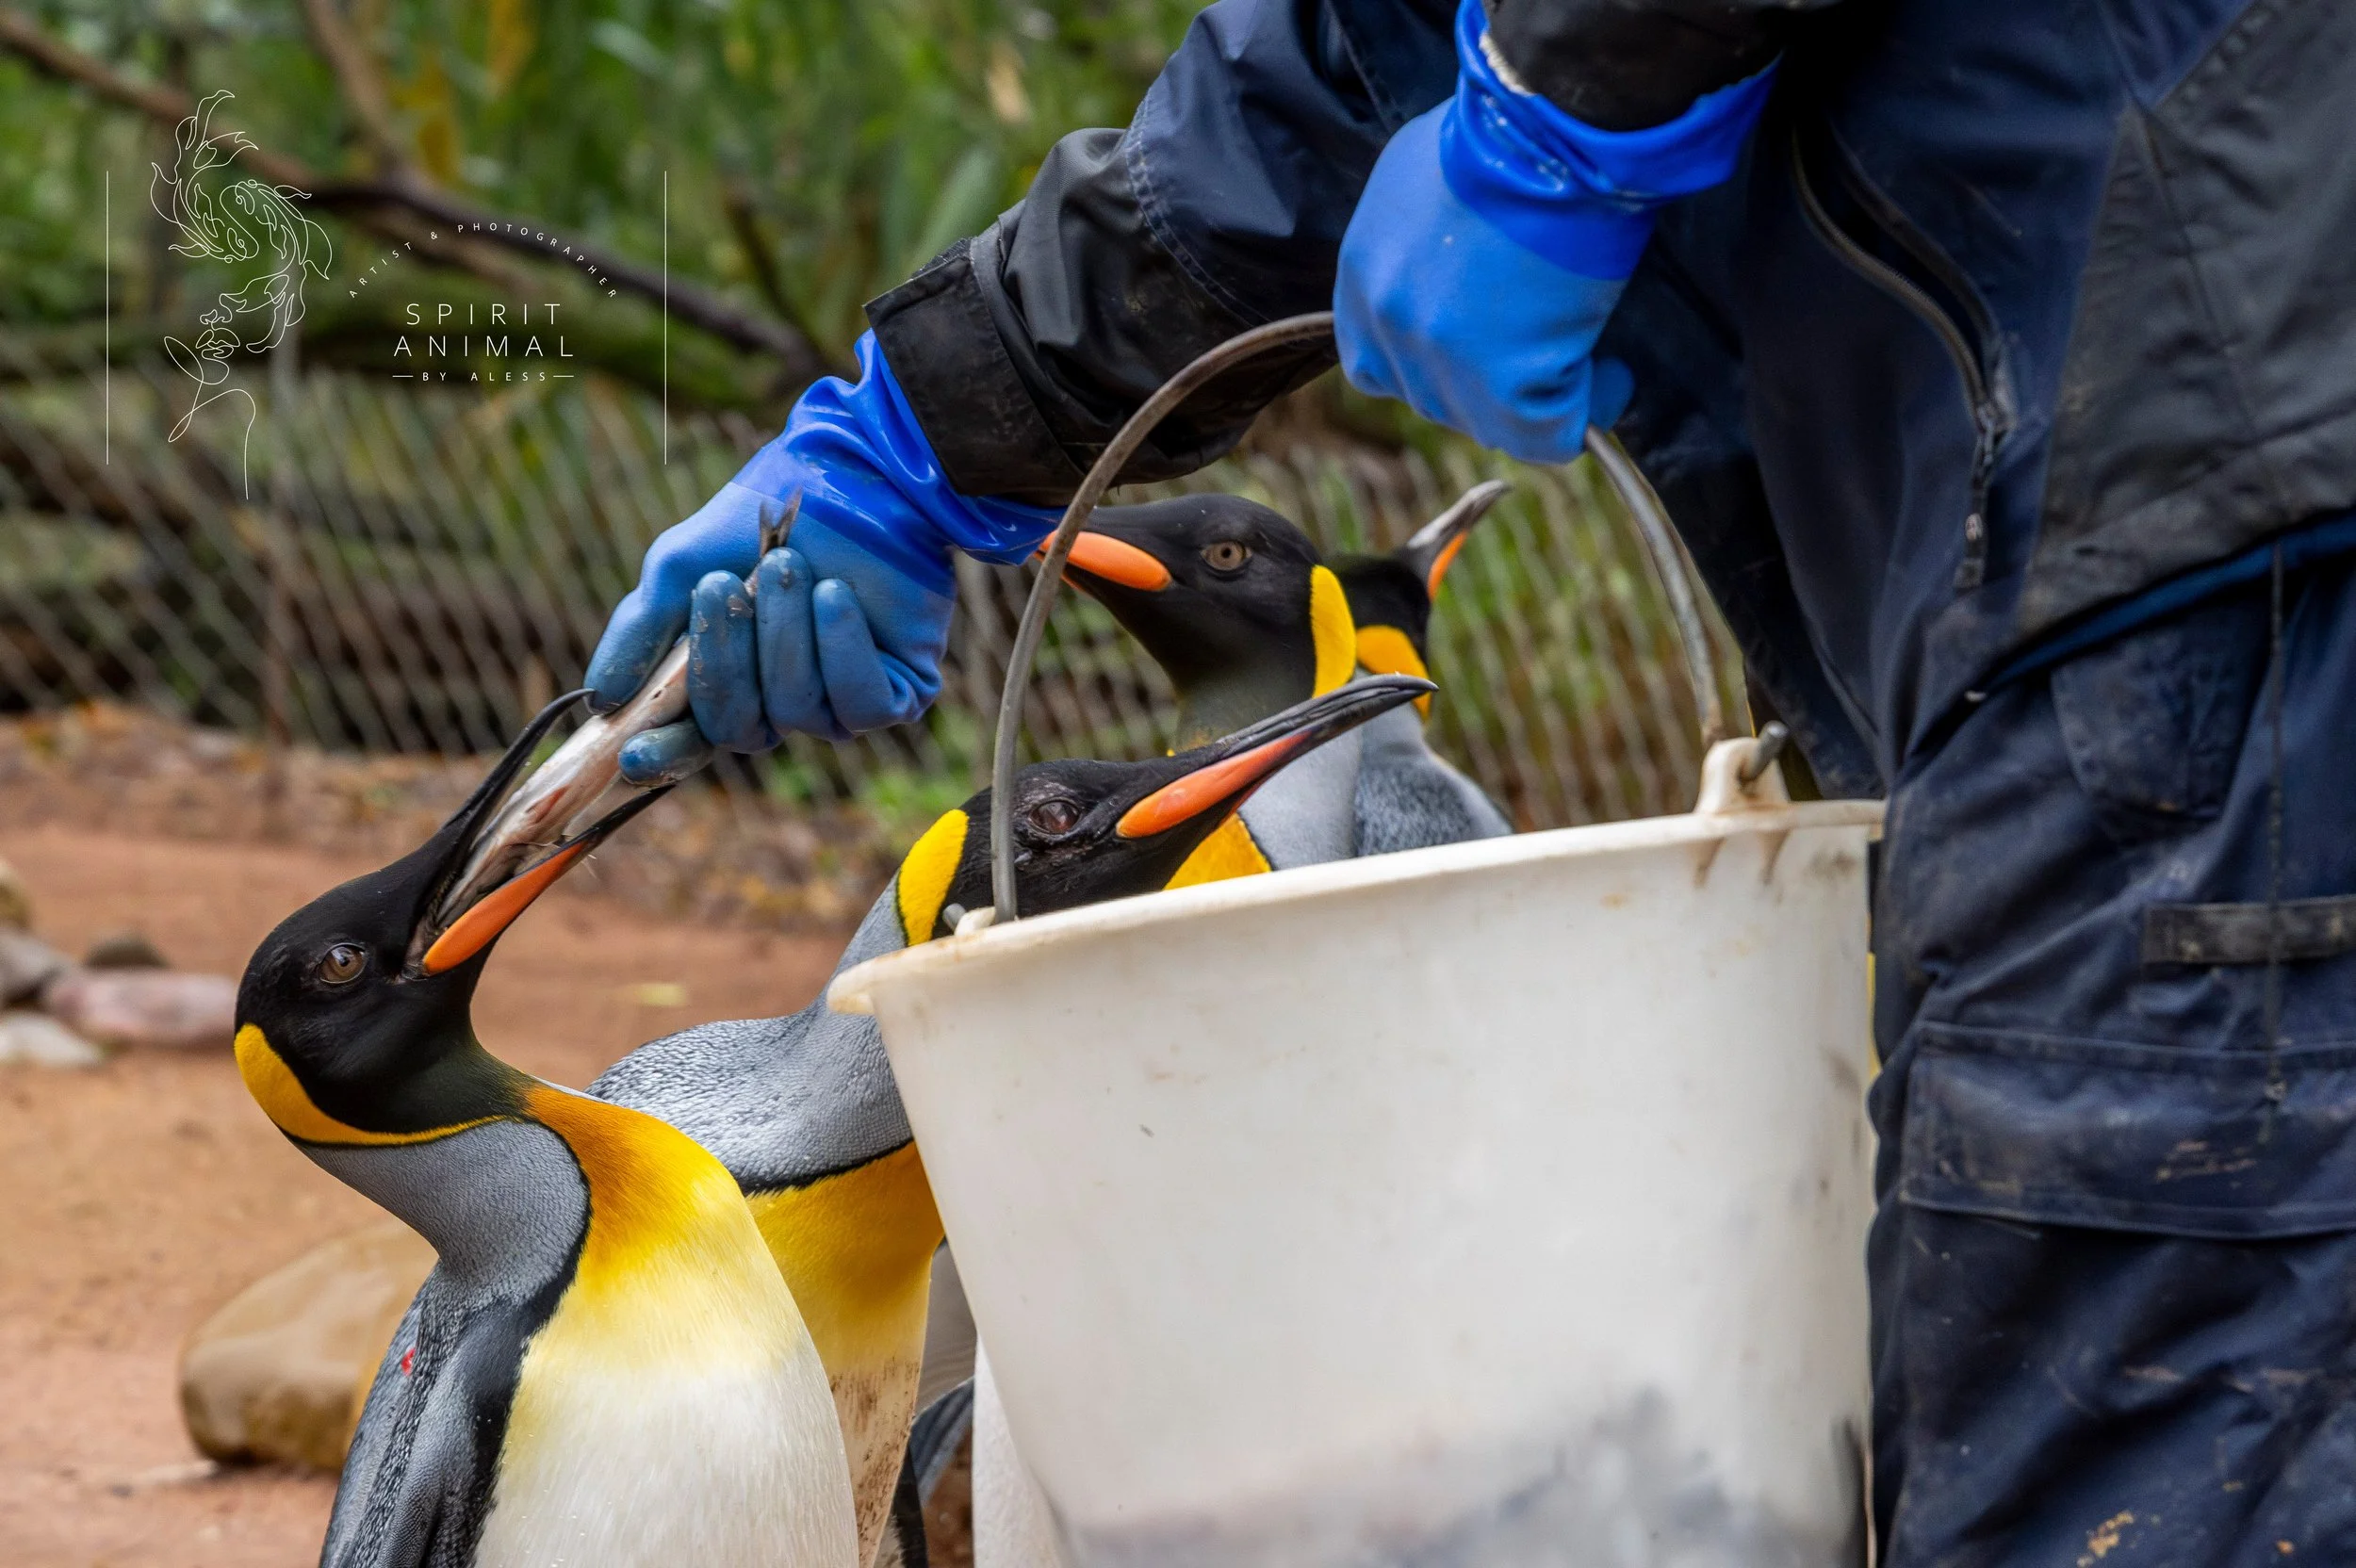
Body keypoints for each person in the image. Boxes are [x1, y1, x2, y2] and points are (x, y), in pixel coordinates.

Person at [587, 0, 2356, 1557]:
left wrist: (1560, 100)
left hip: (2197, 536)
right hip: (2118, 531)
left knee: (2146, 1449)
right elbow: (1327, 74)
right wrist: (908, 437)